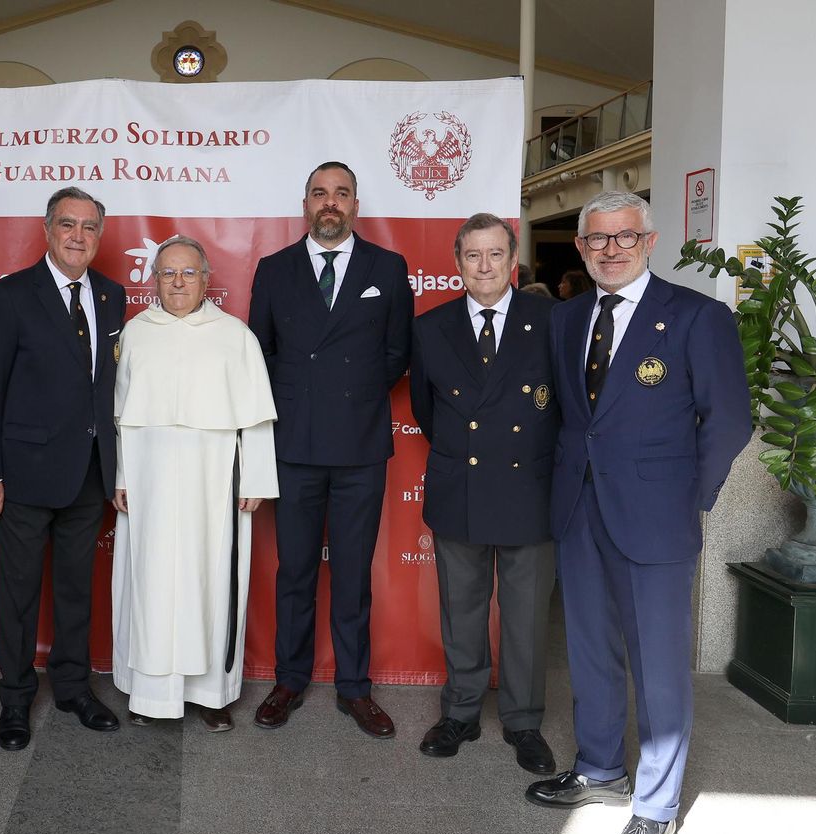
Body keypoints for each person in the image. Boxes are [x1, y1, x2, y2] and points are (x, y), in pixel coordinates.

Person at [527, 191, 751, 834]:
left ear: (649, 242)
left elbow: (730, 420)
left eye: (625, 237)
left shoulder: (697, 317)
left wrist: (689, 499)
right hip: (579, 510)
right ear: (582, 248)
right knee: (590, 648)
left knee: (658, 666)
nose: (610, 249)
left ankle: (655, 809)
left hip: (656, 517)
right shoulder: (565, 320)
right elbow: (568, 418)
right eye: (597, 240)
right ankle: (600, 769)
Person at [247, 161, 413, 738]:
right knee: (294, 570)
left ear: (355, 204)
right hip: (293, 444)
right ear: (305, 203)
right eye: (320, 193)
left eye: (341, 193)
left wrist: (353, 397)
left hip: (359, 445)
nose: (330, 203)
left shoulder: (387, 268)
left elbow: (397, 354)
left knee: (350, 573)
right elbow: (259, 355)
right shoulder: (274, 269)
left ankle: (354, 688)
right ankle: (289, 679)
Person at [0, 186, 126, 751]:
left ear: (99, 236)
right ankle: (14, 699)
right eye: (67, 225)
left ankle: (73, 689)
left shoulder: (111, 295)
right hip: (24, 474)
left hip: (87, 472)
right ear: (47, 230)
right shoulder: (9, 296)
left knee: (76, 590)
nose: (78, 236)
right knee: (17, 594)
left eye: (88, 227)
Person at [409, 214, 559, 775]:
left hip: (530, 489)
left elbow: (565, 404)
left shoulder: (551, 318)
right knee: (462, 611)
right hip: (461, 488)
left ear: (512, 258)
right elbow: (429, 413)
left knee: (524, 617)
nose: (485, 266)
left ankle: (523, 722)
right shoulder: (431, 326)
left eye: (495, 254)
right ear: (457, 262)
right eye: (473, 255)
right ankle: (461, 713)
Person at [109, 236, 278, 732]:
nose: (178, 282)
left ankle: (212, 694)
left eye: (188, 273)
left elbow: (257, 421)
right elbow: (121, 416)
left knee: (212, 580)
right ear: (153, 280)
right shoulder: (135, 334)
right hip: (149, 479)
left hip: (215, 481)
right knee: (150, 581)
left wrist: (256, 478)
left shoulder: (235, 335)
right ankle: (150, 693)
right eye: (167, 273)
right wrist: (121, 476)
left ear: (207, 280)